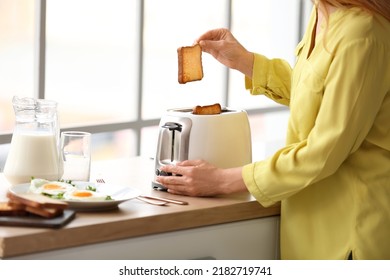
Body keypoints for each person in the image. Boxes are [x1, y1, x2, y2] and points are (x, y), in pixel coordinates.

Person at [156, 0, 390, 259]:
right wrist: (246, 61)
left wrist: (222, 180)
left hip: (349, 232)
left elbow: (323, 152)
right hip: (307, 223)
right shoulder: (323, 11)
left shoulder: (362, 34)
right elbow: (316, 95)